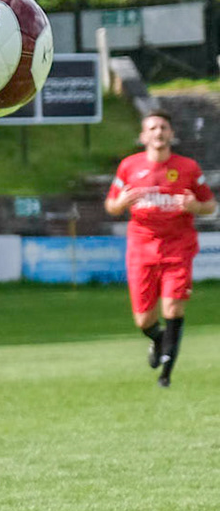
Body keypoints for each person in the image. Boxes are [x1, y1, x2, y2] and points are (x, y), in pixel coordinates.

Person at [105, 110, 216, 387]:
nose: (158, 132)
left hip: (178, 247)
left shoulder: (188, 168)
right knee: (143, 319)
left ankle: (165, 375)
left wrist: (195, 207)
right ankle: (158, 340)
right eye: (153, 128)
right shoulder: (129, 167)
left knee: (173, 308)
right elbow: (111, 205)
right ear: (143, 136)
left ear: (171, 134)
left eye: (163, 127)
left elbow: (210, 205)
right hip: (141, 248)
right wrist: (122, 203)